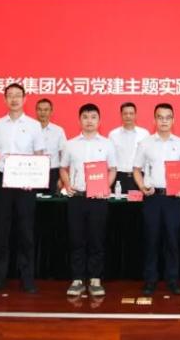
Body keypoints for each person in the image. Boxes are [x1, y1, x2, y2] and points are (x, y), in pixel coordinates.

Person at [0, 83, 46, 294]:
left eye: (18, 95)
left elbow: (39, 154)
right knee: (1, 230)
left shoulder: (34, 125)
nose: (14, 99)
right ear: (4, 99)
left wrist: (34, 179)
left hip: (26, 181)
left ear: (25, 99)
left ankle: (27, 278)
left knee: (26, 231)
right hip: (3, 180)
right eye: (10, 95)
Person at [133, 102, 180, 296]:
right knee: (151, 240)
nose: (164, 121)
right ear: (154, 120)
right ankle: (150, 280)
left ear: (173, 120)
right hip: (152, 198)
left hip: (173, 199)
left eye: (168, 117)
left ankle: (172, 280)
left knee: (172, 241)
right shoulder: (145, 143)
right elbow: (136, 169)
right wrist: (142, 186)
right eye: (160, 117)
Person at [60, 103, 117, 297]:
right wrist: (67, 184)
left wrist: (105, 187)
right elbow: (63, 168)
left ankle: (95, 279)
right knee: (76, 239)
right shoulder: (70, 144)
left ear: (99, 121)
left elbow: (112, 169)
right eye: (85, 117)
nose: (89, 121)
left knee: (96, 239)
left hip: (98, 199)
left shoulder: (107, 144)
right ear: (79, 120)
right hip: (77, 198)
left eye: (93, 117)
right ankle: (77, 279)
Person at [108, 102, 150, 194]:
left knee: (139, 203)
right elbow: (110, 160)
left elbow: (148, 160)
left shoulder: (145, 134)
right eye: (125, 113)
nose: (128, 116)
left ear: (135, 115)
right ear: (121, 115)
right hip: (118, 177)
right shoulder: (113, 135)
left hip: (139, 178)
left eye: (131, 113)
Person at [36, 98, 67, 195]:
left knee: (53, 201)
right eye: (40, 109)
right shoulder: (29, 129)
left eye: (46, 110)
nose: (43, 113)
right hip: (33, 171)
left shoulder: (58, 131)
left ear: (51, 111)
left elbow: (64, 156)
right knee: (32, 201)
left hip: (53, 172)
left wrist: (62, 178)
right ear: (36, 111)